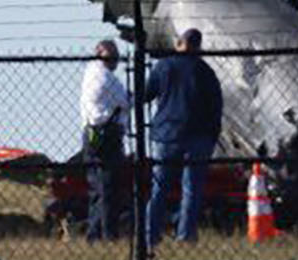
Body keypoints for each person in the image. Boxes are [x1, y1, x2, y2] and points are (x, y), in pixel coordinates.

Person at [142, 28, 223, 245]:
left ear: (179, 43)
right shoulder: (205, 71)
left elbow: (146, 95)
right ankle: (185, 236)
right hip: (198, 136)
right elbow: (216, 107)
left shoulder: (164, 66)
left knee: (159, 187)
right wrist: (212, 136)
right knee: (192, 189)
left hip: (167, 133)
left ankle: (150, 236)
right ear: (199, 46)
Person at [78, 38, 131, 240]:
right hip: (107, 134)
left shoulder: (90, 74)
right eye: (114, 56)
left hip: (91, 133)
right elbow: (126, 100)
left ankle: (94, 233)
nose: (116, 61)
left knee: (97, 186)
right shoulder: (106, 77)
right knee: (109, 186)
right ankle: (108, 234)